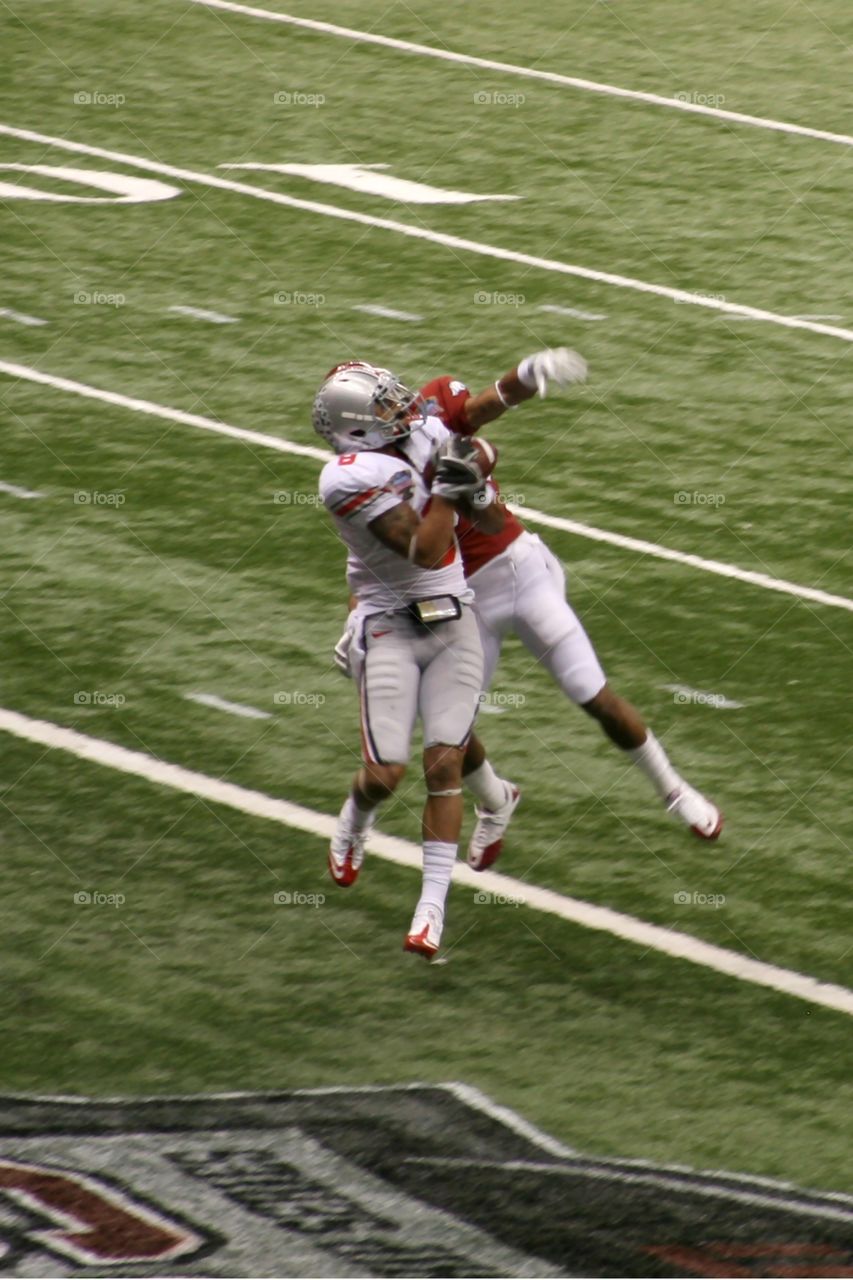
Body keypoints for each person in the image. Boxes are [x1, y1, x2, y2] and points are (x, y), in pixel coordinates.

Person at [416, 347, 723, 855]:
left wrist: (528, 373)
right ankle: (496, 799)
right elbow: (375, 556)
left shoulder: (429, 414)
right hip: (463, 596)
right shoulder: (368, 476)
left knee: (593, 695)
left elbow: (485, 407)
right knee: (448, 732)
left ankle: (675, 790)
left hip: (517, 572)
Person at [315, 361, 503, 959]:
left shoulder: (418, 437)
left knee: (444, 765)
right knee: (384, 773)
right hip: (390, 626)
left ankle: (431, 910)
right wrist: (452, 485)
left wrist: (477, 472)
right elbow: (423, 550)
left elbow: (486, 497)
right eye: (383, 407)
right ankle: (353, 820)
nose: (401, 409)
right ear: (357, 431)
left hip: (453, 617)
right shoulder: (347, 477)